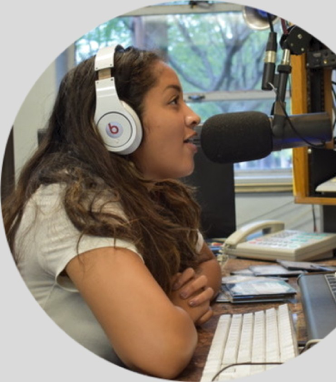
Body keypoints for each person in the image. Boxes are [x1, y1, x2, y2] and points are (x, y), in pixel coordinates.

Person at [2, 45, 222, 379]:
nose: (193, 116)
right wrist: (175, 309)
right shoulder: (73, 204)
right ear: (115, 124)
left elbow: (205, 263)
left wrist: (180, 302)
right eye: (173, 101)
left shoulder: (154, 192)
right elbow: (163, 352)